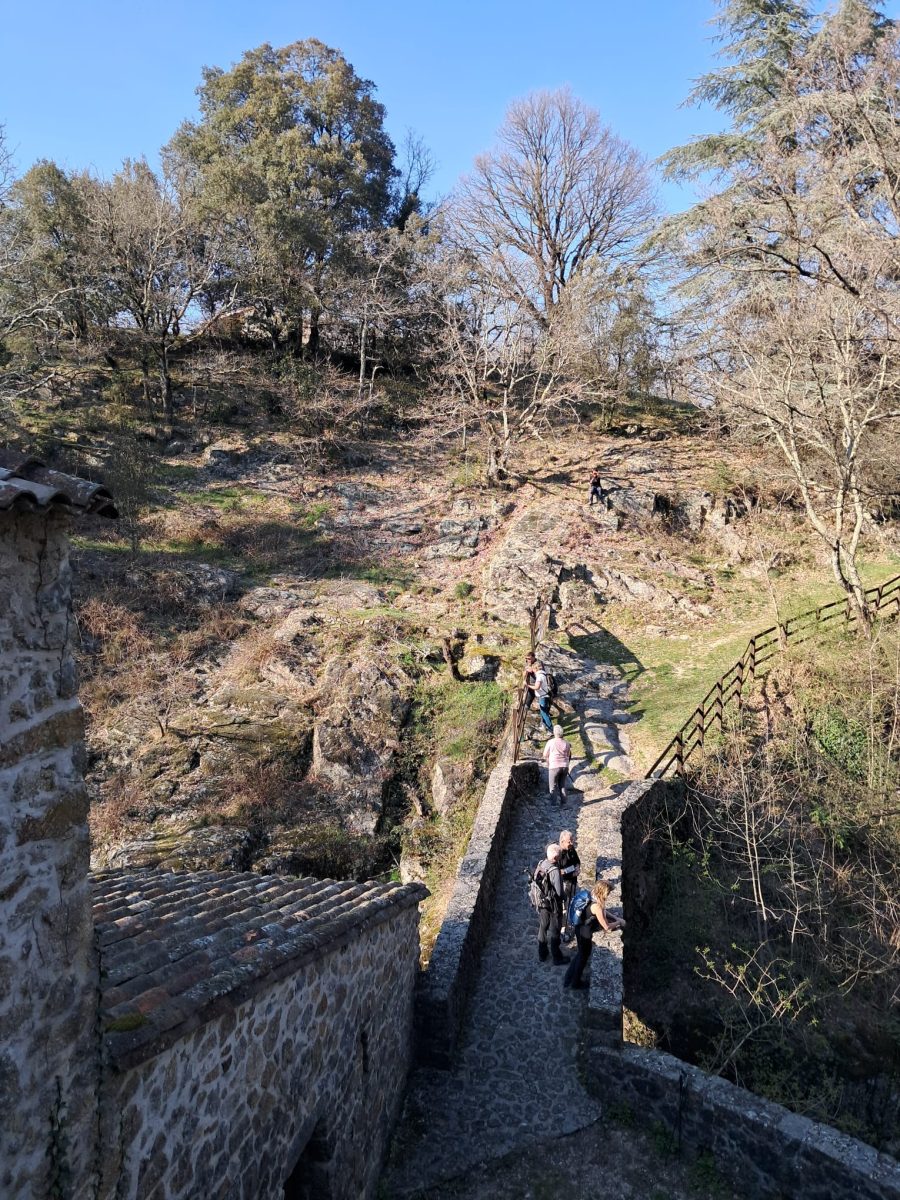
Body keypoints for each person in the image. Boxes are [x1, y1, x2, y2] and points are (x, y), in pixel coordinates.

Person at [563, 879, 625, 991]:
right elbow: (606, 926)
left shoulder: (592, 895)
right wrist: (619, 922)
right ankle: (575, 983)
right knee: (583, 956)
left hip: (579, 928)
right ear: (604, 892)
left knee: (580, 954)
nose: (608, 895)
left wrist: (615, 917)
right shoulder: (597, 906)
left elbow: (604, 912)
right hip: (585, 934)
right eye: (608, 893)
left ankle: (568, 977)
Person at [534, 843, 570, 965]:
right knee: (555, 931)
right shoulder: (554, 871)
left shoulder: (542, 864)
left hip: (542, 903)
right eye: (560, 856)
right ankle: (557, 957)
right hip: (553, 905)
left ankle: (542, 954)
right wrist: (565, 898)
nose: (561, 858)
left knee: (543, 927)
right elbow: (559, 892)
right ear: (555, 858)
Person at [542, 725, 571, 806]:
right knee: (562, 785)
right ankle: (564, 803)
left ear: (554, 733)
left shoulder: (550, 742)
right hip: (565, 766)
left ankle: (553, 804)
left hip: (554, 766)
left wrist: (548, 761)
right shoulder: (566, 743)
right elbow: (568, 755)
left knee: (553, 786)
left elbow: (545, 754)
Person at [558, 829, 581, 917]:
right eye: (569, 842)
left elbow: (577, 860)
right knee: (566, 903)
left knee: (572, 901)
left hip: (572, 881)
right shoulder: (558, 854)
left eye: (572, 841)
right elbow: (557, 872)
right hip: (564, 883)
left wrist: (577, 868)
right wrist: (572, 873)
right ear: (562, 842)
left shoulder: (571, 849)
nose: (571, 843)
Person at [533, 661, 554, 734]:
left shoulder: (539, 676)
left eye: (533, 669)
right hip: (547, 695)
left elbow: (537, 687)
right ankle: (544, 726)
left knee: (544, 713)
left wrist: (528, 685)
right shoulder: (544, 673)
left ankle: (551, 730)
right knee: (544, 712)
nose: (533, 671)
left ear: (536, 668)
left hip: (543, 697)